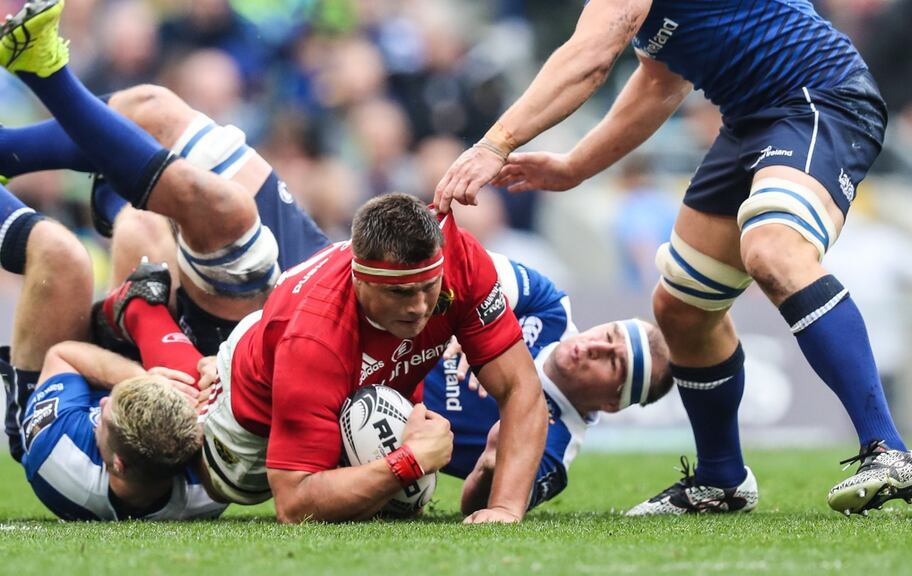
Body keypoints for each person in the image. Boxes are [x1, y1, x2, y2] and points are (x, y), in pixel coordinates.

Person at [434, 0, 911, 515]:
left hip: (818, 96)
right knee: (681, 310)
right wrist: (575, 167)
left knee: (772, 249)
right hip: (752, 120)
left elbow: (591, 55)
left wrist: (495, 143)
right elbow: (661, 83)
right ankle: (722, 478)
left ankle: (889, 450)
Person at [0, 53, 224, 521]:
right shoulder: (213, 478)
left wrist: (135, 380)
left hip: (54, 387)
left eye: (109, 409)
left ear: (114, 463)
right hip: (157, 410)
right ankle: (113, 189)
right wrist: (222, 366)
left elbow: (65, 357)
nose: (108, 399)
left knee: (61, 256)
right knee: (146, 230)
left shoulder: (64, 454)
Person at [0, 0, 329, 360]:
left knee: (146, 223)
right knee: (152, 108)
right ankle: (0, 150)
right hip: (322, 269)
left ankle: (45, 86)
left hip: (274, 328)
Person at [196, 192, 548, 524]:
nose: (419, 307)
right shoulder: (312, 339)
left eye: (429, 287)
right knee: (198, 486)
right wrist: (410, 461)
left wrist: (504, 507)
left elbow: (521, 387)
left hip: (334, 371)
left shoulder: (463, 261)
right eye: (400, 293)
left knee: (399, 495)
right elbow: (293, 503)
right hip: (250, 417)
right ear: (359, 280)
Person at [421, 252, 676, 513]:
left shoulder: (556, 450)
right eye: (609, 334)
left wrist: (490, 463)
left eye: (613, 361)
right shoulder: (549, 306)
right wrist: (468, 315)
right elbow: (462, 262)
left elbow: (475, 505)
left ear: (612, 403)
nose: (594, 346)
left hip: (393, 427)